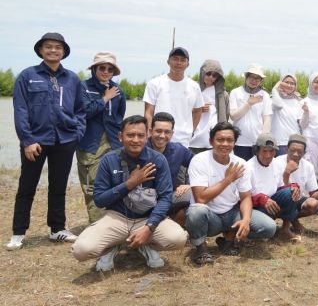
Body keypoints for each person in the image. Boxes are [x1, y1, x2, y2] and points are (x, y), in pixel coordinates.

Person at [71, 115, 188, 271]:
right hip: (117, 217)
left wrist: (149, 227)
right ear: (120, 136)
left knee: (178, 239)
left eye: (140, 135)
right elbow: (99, 199)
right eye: (130, 135)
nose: (135, 140)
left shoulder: (158, 160)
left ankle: (145, 244)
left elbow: (165, 198)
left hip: (147, 217)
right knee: (81, 250)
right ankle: (112, 246)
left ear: (147, 135)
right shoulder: (109, 160)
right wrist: (129, 184)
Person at [8, 32, 86, 251]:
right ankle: (18, 232)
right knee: (26, 187)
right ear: (41, 50)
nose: (53, 50)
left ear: (63, 52)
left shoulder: (72, 78)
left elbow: (80, 109)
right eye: (49, 47)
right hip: (36, 141)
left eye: (58, 47)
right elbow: (21, 110)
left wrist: (78, 132)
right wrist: (27, 140)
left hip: (65, 139)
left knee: (58, 186)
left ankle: (57, 229)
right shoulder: (27, 76)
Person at [185, 122, 276, 265]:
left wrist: (246, 220)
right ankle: (201, 249)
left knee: (269, 227)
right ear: (211, 141)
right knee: (195, 211)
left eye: (230, 140)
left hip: (231, 213)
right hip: (210, 216)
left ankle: (229, 237)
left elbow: (245, 197)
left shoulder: (240, 163)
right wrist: (228, 179)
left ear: (234, 143)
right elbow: (201, 198)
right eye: (220, 140)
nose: (225, 144)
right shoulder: (199, 160)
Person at [77, 51, 126, 223]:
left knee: (117, 183)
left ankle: (115, 223)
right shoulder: (83, 87)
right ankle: (96, 225)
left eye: (110, 69)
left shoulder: (118, 91)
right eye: (102, 68)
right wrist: (105, 98)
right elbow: (84, 112)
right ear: (94, 69)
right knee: (92, 187)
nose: (106, 72)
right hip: (90, 144)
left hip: (114, 143)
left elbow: (120, 117)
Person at [142, 47, 204, 147]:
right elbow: (148, 112)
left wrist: (191, 131)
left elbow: (198, 111)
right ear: (168, 61)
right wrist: (150, 133)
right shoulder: (154, 83)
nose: (179, 62)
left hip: (183, 139)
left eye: (183, 60)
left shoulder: (194, 86)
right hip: (158, 137)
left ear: (188, 64)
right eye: (175, 59)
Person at [245, 133, 300, 242]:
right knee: (268, 229)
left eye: (271, 151)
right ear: (257, 151)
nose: (268, 155)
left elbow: (281, 188)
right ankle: (247, 234)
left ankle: (285, 229)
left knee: (291, 191)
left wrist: (293, 186)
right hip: (254, 207)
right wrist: (261, 199)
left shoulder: (277, 164)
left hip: (272, 203)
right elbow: (241, 198)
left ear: (275, 152)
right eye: (264, 151)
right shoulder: (248, 167)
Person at [272, 134, 318, 234]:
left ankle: (293, 220)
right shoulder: (276, 162)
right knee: (290, 193)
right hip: (278, 199)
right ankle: (288, 227)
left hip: (297, 199)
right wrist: (286, 173)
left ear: (304, 153)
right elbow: (277, 190)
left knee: (314, 204)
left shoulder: (308, 166)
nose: (295, 154)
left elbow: (313, 194)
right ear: (286, 149)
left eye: (299, 151)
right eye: (292, 150)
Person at [147, 112, 194, 226]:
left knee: (197, 193)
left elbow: (199, 164)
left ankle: (174, 225)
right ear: (150, 131)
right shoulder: (140, 149)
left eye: (167, 132)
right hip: (144, 198)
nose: (162, 136)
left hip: (169, 196)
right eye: (158, 131)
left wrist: (190, 184)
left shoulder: (178, 150)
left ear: (172, 134)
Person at [229, 63, 273, 161]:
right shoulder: (235, 92)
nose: (254, 80)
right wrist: (248, 104)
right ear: (246, 77)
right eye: (251, 77)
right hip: (240, 141)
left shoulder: (264, 95)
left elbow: (267, 118)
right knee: (241, 170)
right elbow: (233, 116)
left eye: (258, 78)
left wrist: (263, 138)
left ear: (261, 80)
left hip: (257, 142)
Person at [189, 59, 229, 153]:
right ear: (202, 72)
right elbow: (182, 110)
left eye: (215, 75)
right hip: (193, 136)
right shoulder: (192, 89)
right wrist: (198, 109)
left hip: (212, 138)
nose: (211, 77)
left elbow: (225, 116)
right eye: (208, 73)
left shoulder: (222, 94)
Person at [270, 73, 303, 156]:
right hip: (278, 142)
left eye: (292, 83)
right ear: (280, 83)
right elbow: (278, 105)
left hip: (293, 142)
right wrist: (274, 89)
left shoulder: (298, 101)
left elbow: (301, 124)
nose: (289, 85)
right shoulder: (273, 99)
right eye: (286, 82)